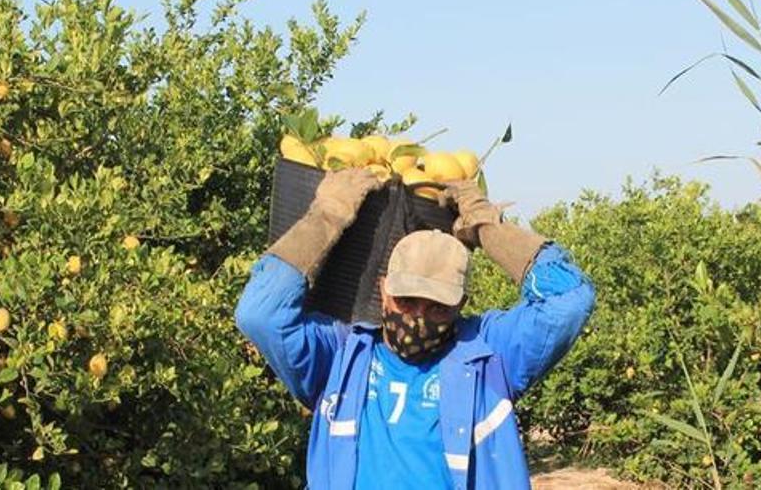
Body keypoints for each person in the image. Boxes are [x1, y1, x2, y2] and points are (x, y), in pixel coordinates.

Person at [235, 168, 595, 489]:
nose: (418, 317)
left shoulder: (490, 357)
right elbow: (259, 314)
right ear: (384, 290)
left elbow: (569, 300)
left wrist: (487, 226)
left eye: (438, 307)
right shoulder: (340, 358)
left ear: (461, 305)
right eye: (406, 301)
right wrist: (327, 215)